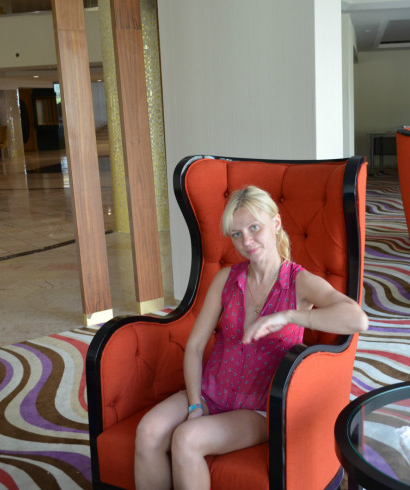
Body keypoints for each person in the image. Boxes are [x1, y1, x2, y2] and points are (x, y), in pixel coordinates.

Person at [133, 185, 369, 490]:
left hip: (257, 408)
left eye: (254, 227)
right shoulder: (227, 279)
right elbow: (194, 346)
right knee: (148, 431)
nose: (246, 241)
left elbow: (357, 319)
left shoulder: (299, 282)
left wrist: (289, 316)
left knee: (186, 439)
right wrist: (194, 405)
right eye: (237, 234)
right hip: (209, 391)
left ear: (276, 223)